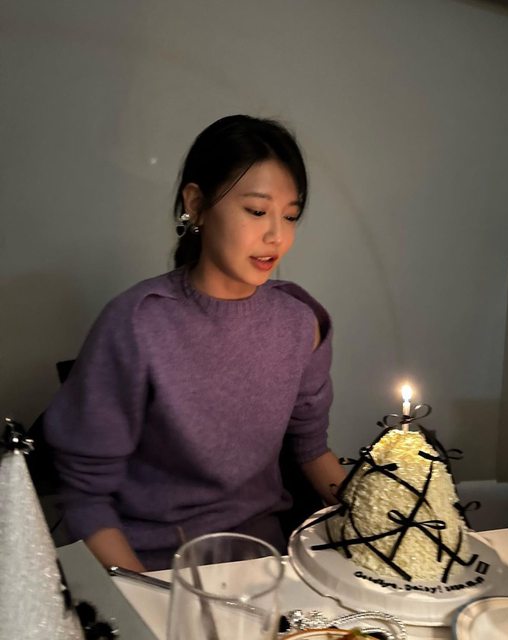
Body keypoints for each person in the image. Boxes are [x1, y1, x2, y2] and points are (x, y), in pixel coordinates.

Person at [44, 114, 346, 571]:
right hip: (151, 568)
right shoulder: (138, 323)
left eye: (290, 216)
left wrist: (387, 515)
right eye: (257, 211)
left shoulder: (300, 322)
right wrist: (151, 597)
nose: (277, 236)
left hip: (260, 567)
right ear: (197, 204)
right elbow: (86, 496)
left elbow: (312, 449)